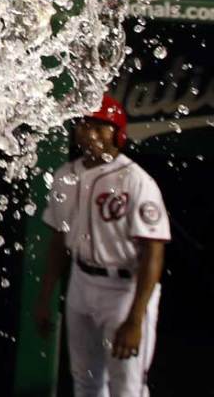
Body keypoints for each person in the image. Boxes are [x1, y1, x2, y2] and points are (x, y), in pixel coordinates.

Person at [34, 96, 169, 397]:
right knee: (85, 380)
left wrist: (135, 319)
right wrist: (45, 297)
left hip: (124, 289)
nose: (90, 132)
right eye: (84, 125)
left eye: (100, 126)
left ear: (117, 133)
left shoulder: (136, 180)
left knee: (128, 388)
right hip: (81, 282)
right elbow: (58, 241)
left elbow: (154, 252)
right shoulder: (64, 176)